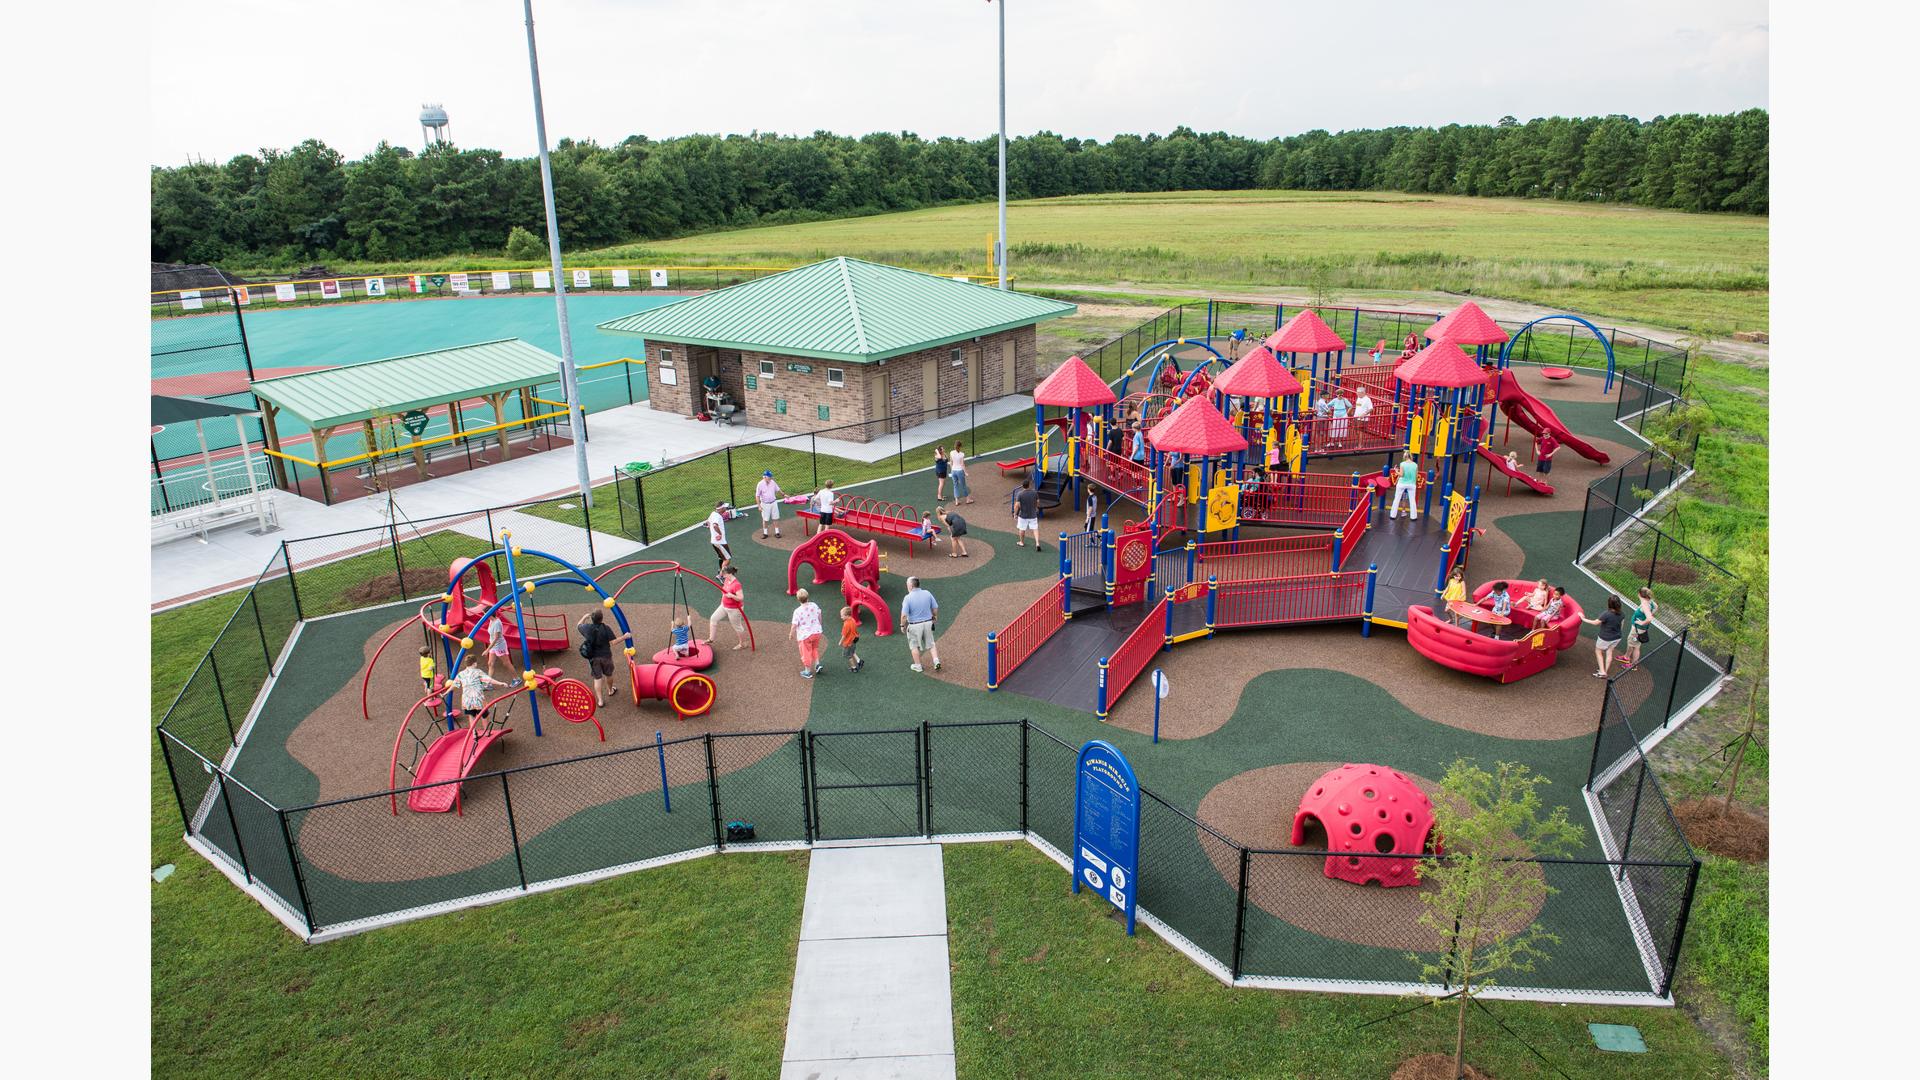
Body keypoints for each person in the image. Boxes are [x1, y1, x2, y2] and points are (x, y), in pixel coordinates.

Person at [576, 609, 632, 707]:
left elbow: (578, 625)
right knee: (609, 674)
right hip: (606, 656)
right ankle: (610, 690)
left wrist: (585, 617)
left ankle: (600, 700)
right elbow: (613, 642)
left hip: (593, 658)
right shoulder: (606, 628)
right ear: (601, 618)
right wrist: (625, 636)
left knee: (597, 678)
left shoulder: (587, 628)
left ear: (592, 619)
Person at [454, 654, 509, 730]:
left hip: (467, 700)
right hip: (478, 699)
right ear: (474, 663)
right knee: (484, 715)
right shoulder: (478, 672)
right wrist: (500, 683)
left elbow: (454, 684)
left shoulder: (460, 674)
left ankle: (473, 733)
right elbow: (489, 680)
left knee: (471, 716)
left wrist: (446, 692)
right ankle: (486, 732)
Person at [900, 577, 941, 673]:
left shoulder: (907, 598)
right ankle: (936, 661)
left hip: (914, 625)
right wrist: (934, 616)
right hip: (928, 623)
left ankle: (918, 666)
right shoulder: (927, 593)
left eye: (907, 584)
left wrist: (902, 625)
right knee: (931, 644)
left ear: (911, 586)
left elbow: (904, 615)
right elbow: (935, 607)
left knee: (914, 646)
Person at [704, 566, 749, 650]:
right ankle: (711, 639)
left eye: (724, 574)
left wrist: (731, 595)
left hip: (734, 609)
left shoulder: (736, 584)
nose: (723, 576)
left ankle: (742, 643)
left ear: (730, 574)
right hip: (724, 606)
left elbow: (741, 598)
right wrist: (722, 602)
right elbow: (723, 592)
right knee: (713, 618)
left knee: (737, 627)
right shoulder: (727, 580)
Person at [1581, 595, 1626, 677]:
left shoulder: (1606, 614)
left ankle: (1602, 672)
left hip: (1605, 638)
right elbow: (1621, 626)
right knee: (1609, 652)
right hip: (1617, 637)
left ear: (1609, 604)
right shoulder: (1622, 614)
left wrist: (1583, 618)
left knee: (1598, 651)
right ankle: (1605, 670)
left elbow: (1595, 623)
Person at [789, 588, 825, 679]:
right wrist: (820, 625)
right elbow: (819, 616)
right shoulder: (814, 605)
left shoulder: (797, 611)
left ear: (798, 599)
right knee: (814, 648)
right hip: (817, 632)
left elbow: (794, 625)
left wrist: (791, 634)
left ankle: (807, 671)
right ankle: (817, 664)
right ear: (807, 597)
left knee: (805, 652)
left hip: (805, 636)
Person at [1624, 587, 1658, 668]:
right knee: (1634, 644)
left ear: (1639, 594)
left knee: (1635, 646)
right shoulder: (1651, 602)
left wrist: (1642, 622)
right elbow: (1656, 607)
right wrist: (1647, 616)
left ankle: (1633, 665)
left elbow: (1649, 618)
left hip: (1638, 629)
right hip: (1641, 629)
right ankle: (1626, 657)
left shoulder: (1645, 605)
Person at [1012, 476, 1042, 550]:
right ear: (1029, 485)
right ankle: (1037, 543)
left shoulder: (1020, 494)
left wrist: (1015, 514)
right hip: (1033, 514)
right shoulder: (1035, 493)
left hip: (1023, 515)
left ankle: (1021, 542)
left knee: (1022, 529)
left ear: (1022, 486)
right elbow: (1038, 502)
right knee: (1035, 529)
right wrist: (1036, 507)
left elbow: (1017, 505)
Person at [755, 470, 785, 539]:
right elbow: (757, 496)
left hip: (773, 503)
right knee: (765, 519)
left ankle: (777, 532)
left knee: (775, 517)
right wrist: (759, 506)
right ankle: (765, 533)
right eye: (769, 477)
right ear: (764, 477)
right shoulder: (760, 484)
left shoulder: (772, 482)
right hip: (765, 504)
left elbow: (778, 489)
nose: (770, 478)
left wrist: (783, 494)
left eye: (771, 477)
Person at [1390, 454, 1420, 520]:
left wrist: (1396, 470)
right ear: (1411, 457)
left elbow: (1401, 474)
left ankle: (1393, 515)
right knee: (1412, 500)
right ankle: (1413, 517)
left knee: (1397, 499)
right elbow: (1416, 475)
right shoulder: (1415, 465)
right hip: (1412, 484)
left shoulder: (1402, 464)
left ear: (1405, 457)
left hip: (1402, 483)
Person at [705, 501, 733, 568]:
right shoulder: (718, 516)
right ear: (721, 508)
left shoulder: (713, 513)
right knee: (727, 559)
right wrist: (720, 534)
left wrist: (709, 526)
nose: (726, 508)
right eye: (724, 507)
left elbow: (707, 522)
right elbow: (715, 525)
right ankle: (721, 576)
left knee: (721, 557)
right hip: (720, 542)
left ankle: (720, 571)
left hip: (714, 541)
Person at [839, 605, 865, 673]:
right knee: (852, 651)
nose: (841, 617)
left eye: (842, 615)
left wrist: (840, 642)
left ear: (847, 615)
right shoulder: (853, 620)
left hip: (848, 642)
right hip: (854, 639)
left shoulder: (846, 624)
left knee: (848, 655)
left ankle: (854, 668)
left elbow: (844, 635)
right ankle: (859, 661)